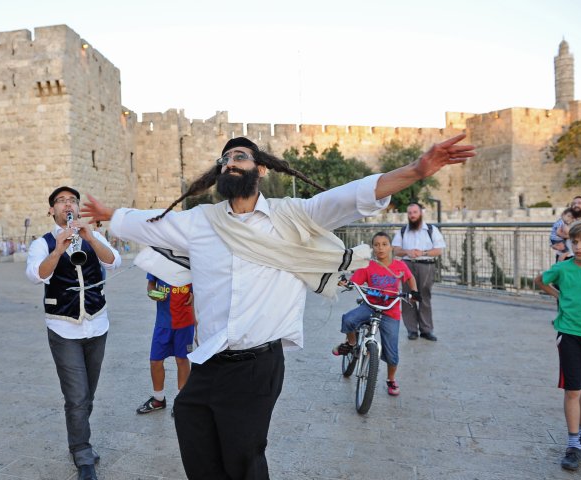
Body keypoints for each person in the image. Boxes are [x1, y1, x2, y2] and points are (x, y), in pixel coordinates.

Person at [80, 134, 474, 479]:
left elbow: (353, 195)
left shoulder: (293, 217)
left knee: (243, 458)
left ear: (260, 169)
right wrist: (110, 215)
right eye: (224, 160)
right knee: (191, 428)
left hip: (258, 365)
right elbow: (149, 223)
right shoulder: (200, 221)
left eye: (239, 157)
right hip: (209, 359)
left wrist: (417, 169)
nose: (230, 163)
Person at [25, 186, 121, 480]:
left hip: (97, 324)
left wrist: (90, 237)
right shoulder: (42, 243)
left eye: (72, 201)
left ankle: (77, 438)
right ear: (51, 210)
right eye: (61, 201)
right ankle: (82, 453)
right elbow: (35, 275)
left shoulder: (93, 235)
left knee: (87, 394)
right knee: (77, 395)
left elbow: (114, 261)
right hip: (63, 327)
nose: (68, 205)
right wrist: (58, 249)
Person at [534, 220, 581, 471]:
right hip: (569, 335)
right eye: (574, 241)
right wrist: (558, 295)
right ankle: (573, 443)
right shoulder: (563, 268)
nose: (578, 246)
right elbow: (540, 280)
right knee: (573, 390)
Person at [332, 232, 418, 396]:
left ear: (391, 247)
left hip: (390, 311)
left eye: (384, 244)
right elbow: (354, 281)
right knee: (349, 319)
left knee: (392, 354)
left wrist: (414, 292)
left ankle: (391, 380)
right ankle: (350, 344)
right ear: (373, 248)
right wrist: (345, 282)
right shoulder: (368, 266)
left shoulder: (400, 266)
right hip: (370, 306)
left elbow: (410, 278)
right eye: (377, 244)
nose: (381, 248)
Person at [136, 274, 195, 415]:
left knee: (182, 359)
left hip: (185, 321)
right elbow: (151, 286)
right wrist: (153, 293)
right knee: (155, 361)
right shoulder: (158, 261)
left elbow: (202, 284)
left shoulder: (189, 259)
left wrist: (194, 294)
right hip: (163, 322)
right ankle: (158, 399)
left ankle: (182, 401)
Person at [391, 202, 446, 341]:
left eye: (415, 212)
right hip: (406, 266)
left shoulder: (431, 230)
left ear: (420, 213)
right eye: (410, 213)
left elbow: (438, 250)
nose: (412, 215)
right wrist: (407, 252)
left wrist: (423, 252)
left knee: (424, 296)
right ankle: (412, 330)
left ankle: (426, 330)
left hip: (426, 266)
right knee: (408, 297)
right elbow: (395, 249)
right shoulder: (403, 231)